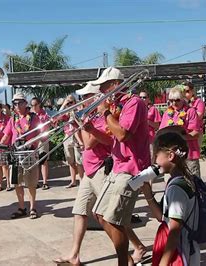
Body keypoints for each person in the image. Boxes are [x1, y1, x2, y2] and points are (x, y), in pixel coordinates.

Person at [91, 67, 150, 265]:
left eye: (104, 86)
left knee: (113, 220)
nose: (101, 91)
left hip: (131, 168)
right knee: (99, 214)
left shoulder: (134, 103)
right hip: (117, 166)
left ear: (116, 85)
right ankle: (127, 260)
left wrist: (106, 112)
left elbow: (123, 135)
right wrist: (88, 128)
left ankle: (123, 262)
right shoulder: (118, 106)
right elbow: (110, 138)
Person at [53, 82, 115, 265]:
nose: (81, 101)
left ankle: (133, 249)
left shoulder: (104, 117)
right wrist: (78, 123)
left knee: (108, 217)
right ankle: (74, 254)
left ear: (95, 98)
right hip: (89, 170)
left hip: (100, 169)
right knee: (79, 212)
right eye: (81, 97)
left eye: (85, 97)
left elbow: (88, 143)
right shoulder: (90, 117)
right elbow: (82, 142)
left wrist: (80, 122)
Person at [141, 131, 200, 266]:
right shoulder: (179, 180)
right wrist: (147, 193)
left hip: (180, 252)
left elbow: (174, 229)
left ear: (170, 155)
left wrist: (164, 262)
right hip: (183, 249)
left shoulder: (176, 188)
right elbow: (161, 217)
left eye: (156, 155)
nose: (154, 161)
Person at [7, 93, 41, 219]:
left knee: (31, 183)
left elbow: (41, 133)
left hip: (29, 153)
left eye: (19, 103)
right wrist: (0, 144)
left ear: (25, 103)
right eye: (14, 103)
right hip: (16, 153)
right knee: (17, 182)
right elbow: (7, 134)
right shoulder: (13, 119)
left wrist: (32, 143)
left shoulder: (33, 118)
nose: (16, 105)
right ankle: (21, 208)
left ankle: (33, 207)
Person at [159, 87, 201, 178]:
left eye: (177, 100)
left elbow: (196, 133)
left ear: (183, 99)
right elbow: (161, 131)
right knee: (172, 182)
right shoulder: (167, 113)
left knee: (193, 182)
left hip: (189, 154)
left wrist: (180, 137)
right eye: (171, 100)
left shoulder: (191, 111)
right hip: (172, 155)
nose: (174, 103)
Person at [60, 95, 85, 188]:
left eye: (71, 102)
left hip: (77, 135)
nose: (69, 104)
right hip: (68, 135)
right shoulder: (65, 113)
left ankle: (82, 180)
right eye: (68, 103)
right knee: (70, 160)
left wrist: (76, 107)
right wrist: (64, 104)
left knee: (79, 160)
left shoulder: (78, 110)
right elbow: (58, 115)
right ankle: (73, 181)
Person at [30, 97, 51, 190]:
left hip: (42, 139)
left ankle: (45, 182)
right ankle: (36, 181)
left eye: (35, 105)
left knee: (43, 161)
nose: (33, 107)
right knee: (35, 162)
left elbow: (47, 126)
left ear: (39, 105)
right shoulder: (30, 115)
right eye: (31, 105)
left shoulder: (45, 114)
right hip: (34, 140)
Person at [182, 81, 206, 147]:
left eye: (187, 91)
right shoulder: (181, 103)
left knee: (194, 154)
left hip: (195, 133)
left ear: (192, 91)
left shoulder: (199, 102)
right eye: (183, 91)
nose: (185, 94)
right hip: (184, 132)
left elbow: (199, 117)